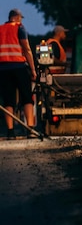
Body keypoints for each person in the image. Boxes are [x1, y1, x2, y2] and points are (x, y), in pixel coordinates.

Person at [0, 9, 37, 139]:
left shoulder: (0, 29)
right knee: (27, 97)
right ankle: (30, 129)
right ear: (16, 17)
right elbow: (26, 49)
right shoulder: (19, 28)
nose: (21, 20)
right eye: (20, 17)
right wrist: (33, 69)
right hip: (19, 67)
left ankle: (10, 132)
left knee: (8, 101)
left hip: (3, 69)